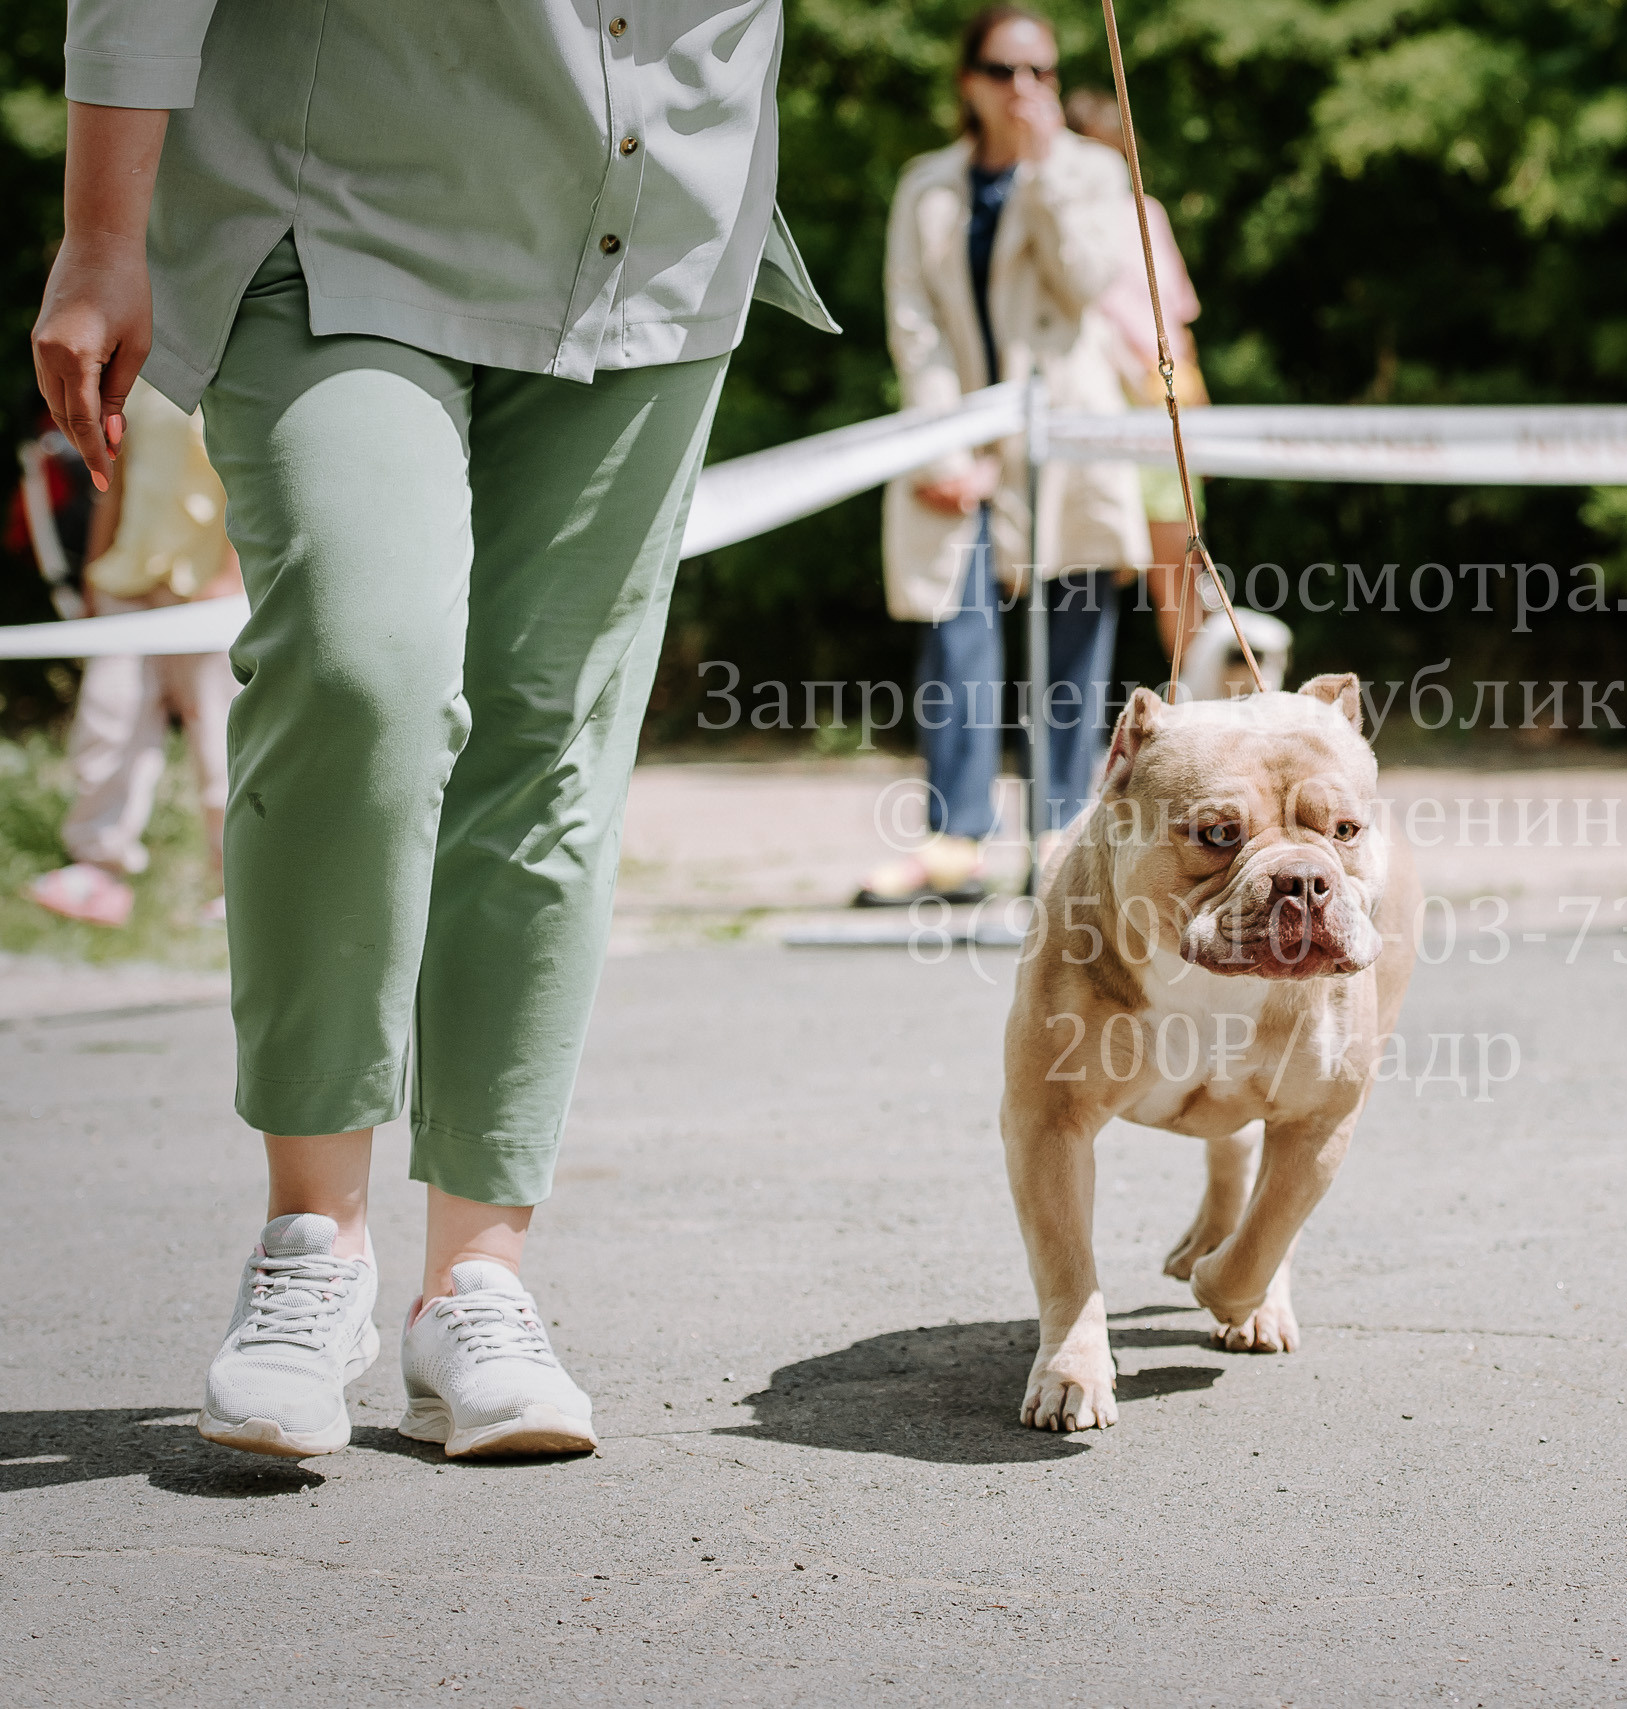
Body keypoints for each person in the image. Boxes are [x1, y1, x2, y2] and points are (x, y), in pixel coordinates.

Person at [34, 1, 835, 1460]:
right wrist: (102, 228)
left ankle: (476, 1280)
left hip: (649, 221)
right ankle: (312, 1244)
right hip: (336, 197)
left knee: (553, 734)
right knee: (362, 671)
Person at [860, 6, 1148, 905]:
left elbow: (1086, 281)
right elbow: (913, 321)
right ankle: (957, 840)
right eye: (1003, 70)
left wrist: (1044, 169)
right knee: (956, 632)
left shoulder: (1091, 171)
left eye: (1041, 72)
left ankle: (1060, 831)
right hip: (959, 433)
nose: (1024, 88)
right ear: (968, 82)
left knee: (1074, 629)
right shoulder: (926, 185)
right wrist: (946, 445)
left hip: (1067, 434)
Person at [25, 377, 239, 931]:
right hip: (131, 581)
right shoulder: (144, 383)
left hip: (210, 592)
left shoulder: (242, 374)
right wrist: (95, 571)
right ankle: (97, 869)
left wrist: (231, 576)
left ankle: (237, 886)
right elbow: (113, 481)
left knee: (222, 739)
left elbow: (256, 484)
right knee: (109, 718)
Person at [1062, 86, 1214, 668]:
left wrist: (1197, 413)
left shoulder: (1147, 213)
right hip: (1097, 402)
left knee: (1177, 564)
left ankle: (1193, 696)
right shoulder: (1063, 223)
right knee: (1095, 563)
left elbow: (1177, 322)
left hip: (1160, 401)